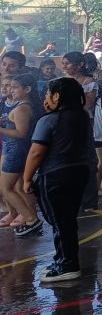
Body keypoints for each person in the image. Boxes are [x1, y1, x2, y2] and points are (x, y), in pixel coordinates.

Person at [22, 77, 92, 281]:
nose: (45, 98)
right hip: (79, 172)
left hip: (56, 175)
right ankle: (63, 259)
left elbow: (36, 152)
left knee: (60, 221)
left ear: (57, 96)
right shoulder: (82, 116)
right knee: (67, 219)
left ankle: (68, 265)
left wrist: (27, 179)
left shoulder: (49, 121)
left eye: (47, 94)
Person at [1, 74, 38, 233]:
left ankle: (31, 219)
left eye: (15, 87)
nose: (11, 90)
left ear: (27, 89)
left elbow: (21, 133)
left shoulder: (22, 107)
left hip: (16, 150)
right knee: (19, 186)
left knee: (5, 188)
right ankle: (30, 217)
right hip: (16, 149)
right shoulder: (24, 105)